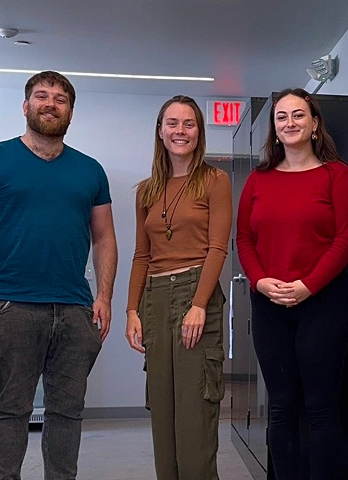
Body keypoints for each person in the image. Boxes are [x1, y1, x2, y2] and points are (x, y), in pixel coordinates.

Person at [0, 71, 117, 480]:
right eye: (42, 96)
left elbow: (104, 237)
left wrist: (104, 296)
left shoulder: (90, 170)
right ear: (26, 106)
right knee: (12, 409)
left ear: (71, 113)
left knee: (68, 412)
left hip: (75, 309)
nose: (50, 104)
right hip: (12, 307)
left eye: (60, 99)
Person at [235, 88, 348, 479]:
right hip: (269, 304)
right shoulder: (257, 180)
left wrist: (309, 285)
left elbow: (347, 238)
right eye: (282, 117)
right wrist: (259, 281)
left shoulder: (338, 175)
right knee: (281, 406)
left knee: (321, 407)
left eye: (298, 115)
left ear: (315, 124)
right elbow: (244, 239)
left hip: (324, 302)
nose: (290, 123)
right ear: (274, 128)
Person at [125, 95, 231, 479]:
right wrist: (132, 310)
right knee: (163, 415)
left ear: (199, 132)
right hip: (154, 299)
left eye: (189, 123)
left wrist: (199, 304)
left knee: (195, 414)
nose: (180, 131)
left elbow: (218, 247)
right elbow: (141, 255)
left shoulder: (215, 181)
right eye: (172, 123)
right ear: (160, 131)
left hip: (195, 292)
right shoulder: (146, 190)